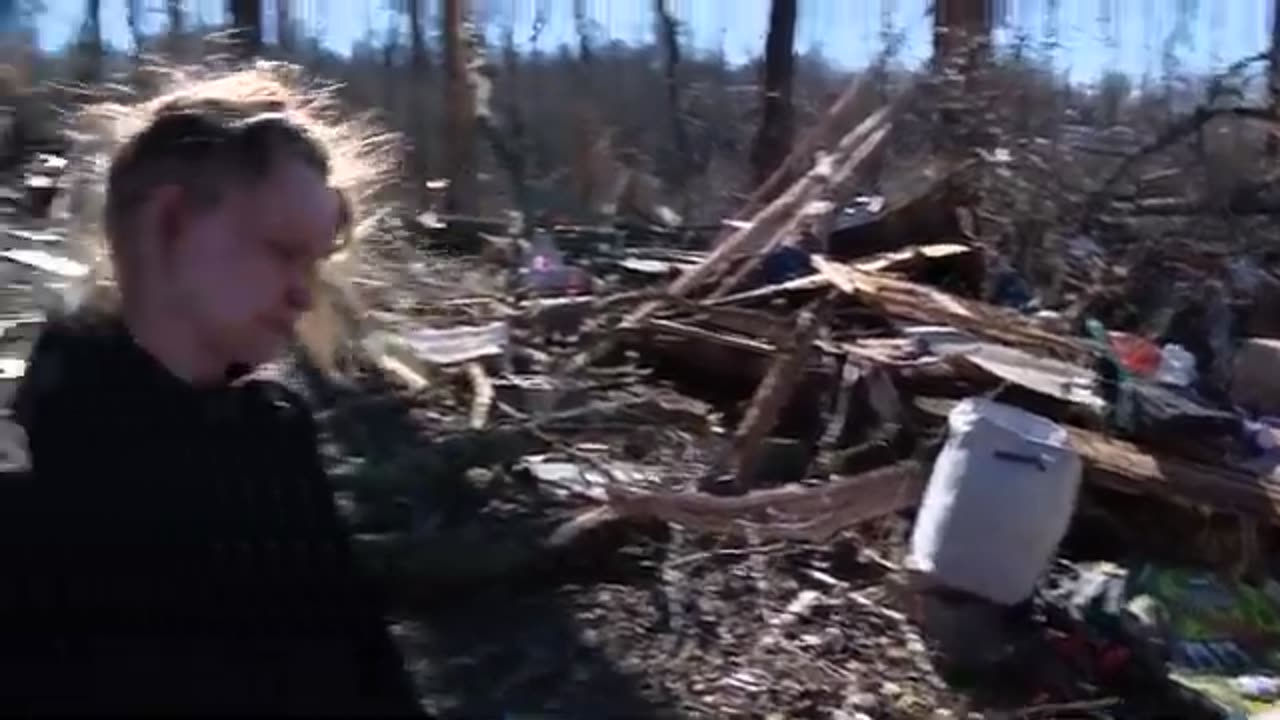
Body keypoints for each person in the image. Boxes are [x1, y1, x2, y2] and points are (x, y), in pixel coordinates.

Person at [0, 62, 422, 715]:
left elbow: (364, 664)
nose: (302, 293)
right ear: (169, 221)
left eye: (313, 262)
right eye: (283, 251)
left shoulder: (275, 431)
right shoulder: (40, 465)